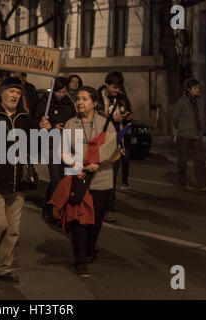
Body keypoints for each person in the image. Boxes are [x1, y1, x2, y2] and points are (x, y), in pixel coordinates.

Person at [0, 77, 42, 283]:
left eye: (18, 93)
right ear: (1, 92)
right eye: (11, 91)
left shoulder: (24, 117)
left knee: (12, 231)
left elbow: (34, 145)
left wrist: (44, 131)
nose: (15, 96)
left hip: (17, 183)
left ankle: (2, 268)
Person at [58, 86, 118, 277]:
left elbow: (115, 153)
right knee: (79, 221)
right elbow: (62, 151)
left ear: (94, 103)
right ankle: (80, 260)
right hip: (77, 179)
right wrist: (74, 163)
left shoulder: (105, 124)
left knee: (95, 221)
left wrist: (98, 164)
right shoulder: (71, 123)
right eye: (78, 99)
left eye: (84, 99)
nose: (80, 102)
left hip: (101, 180)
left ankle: (90, 250)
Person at [33, 77, 77, 220]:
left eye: (64, 91)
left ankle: (58, 206)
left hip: (65, 144)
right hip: (50, 144)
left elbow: (73, 120)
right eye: (59, 92)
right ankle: (49, 209)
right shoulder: (44, 104)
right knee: (56, 177)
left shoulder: (69, 104)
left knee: (64, 178)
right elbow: (35, 122)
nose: (62, 94)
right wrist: (51, 126)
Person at [99, 71, 133, 223]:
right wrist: (110, 117)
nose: (116, 90)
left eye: (119, 87)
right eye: (114, 87)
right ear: (106, 84)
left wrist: (127, 117)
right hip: (99, 141)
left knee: (111, 178)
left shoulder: (122, 98)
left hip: (116, 142)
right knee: (96, 177)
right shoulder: (96, 96)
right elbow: (91, 115)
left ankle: (109, 209)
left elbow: (129, 115)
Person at [172, 78, 206, 192]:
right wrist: (180, 129)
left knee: (200, 159)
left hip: (197, 135)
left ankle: (202, 184)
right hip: (184, 135)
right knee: (182, 160)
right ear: (188, 89)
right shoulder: (182, 101)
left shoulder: (199, 100)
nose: (197, 90)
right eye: (195, 88)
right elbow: (175, 117)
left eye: (198, 87)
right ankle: (181, 183)